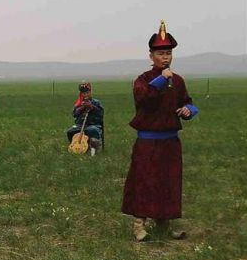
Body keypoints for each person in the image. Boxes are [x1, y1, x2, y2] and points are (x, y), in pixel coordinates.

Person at [122, 21, 198, 242]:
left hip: (170, 141)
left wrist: (188, 111)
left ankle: (165, 224)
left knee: (168, 181)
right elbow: (143, 98)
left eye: (168, 53)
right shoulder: (143, 80)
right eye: (161, 53)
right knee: (145, 180)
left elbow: (189, 102)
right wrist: (161, 79)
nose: (165, 58)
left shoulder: (179, 81)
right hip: (148, 142)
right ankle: (139, 226)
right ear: (151, 55)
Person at [66, 82, 104, 156]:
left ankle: (93, 151)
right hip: (80, 125)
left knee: (92, 130)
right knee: (70, 131)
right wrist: (82, 108)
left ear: (90, 92)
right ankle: (76, 148)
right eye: (83, 93)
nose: (85, 95)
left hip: (93, 124)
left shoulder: (96, 102)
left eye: (87, 92)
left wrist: (92, 107)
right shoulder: (79, 103)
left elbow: (101, 113)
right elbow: (74, 114)